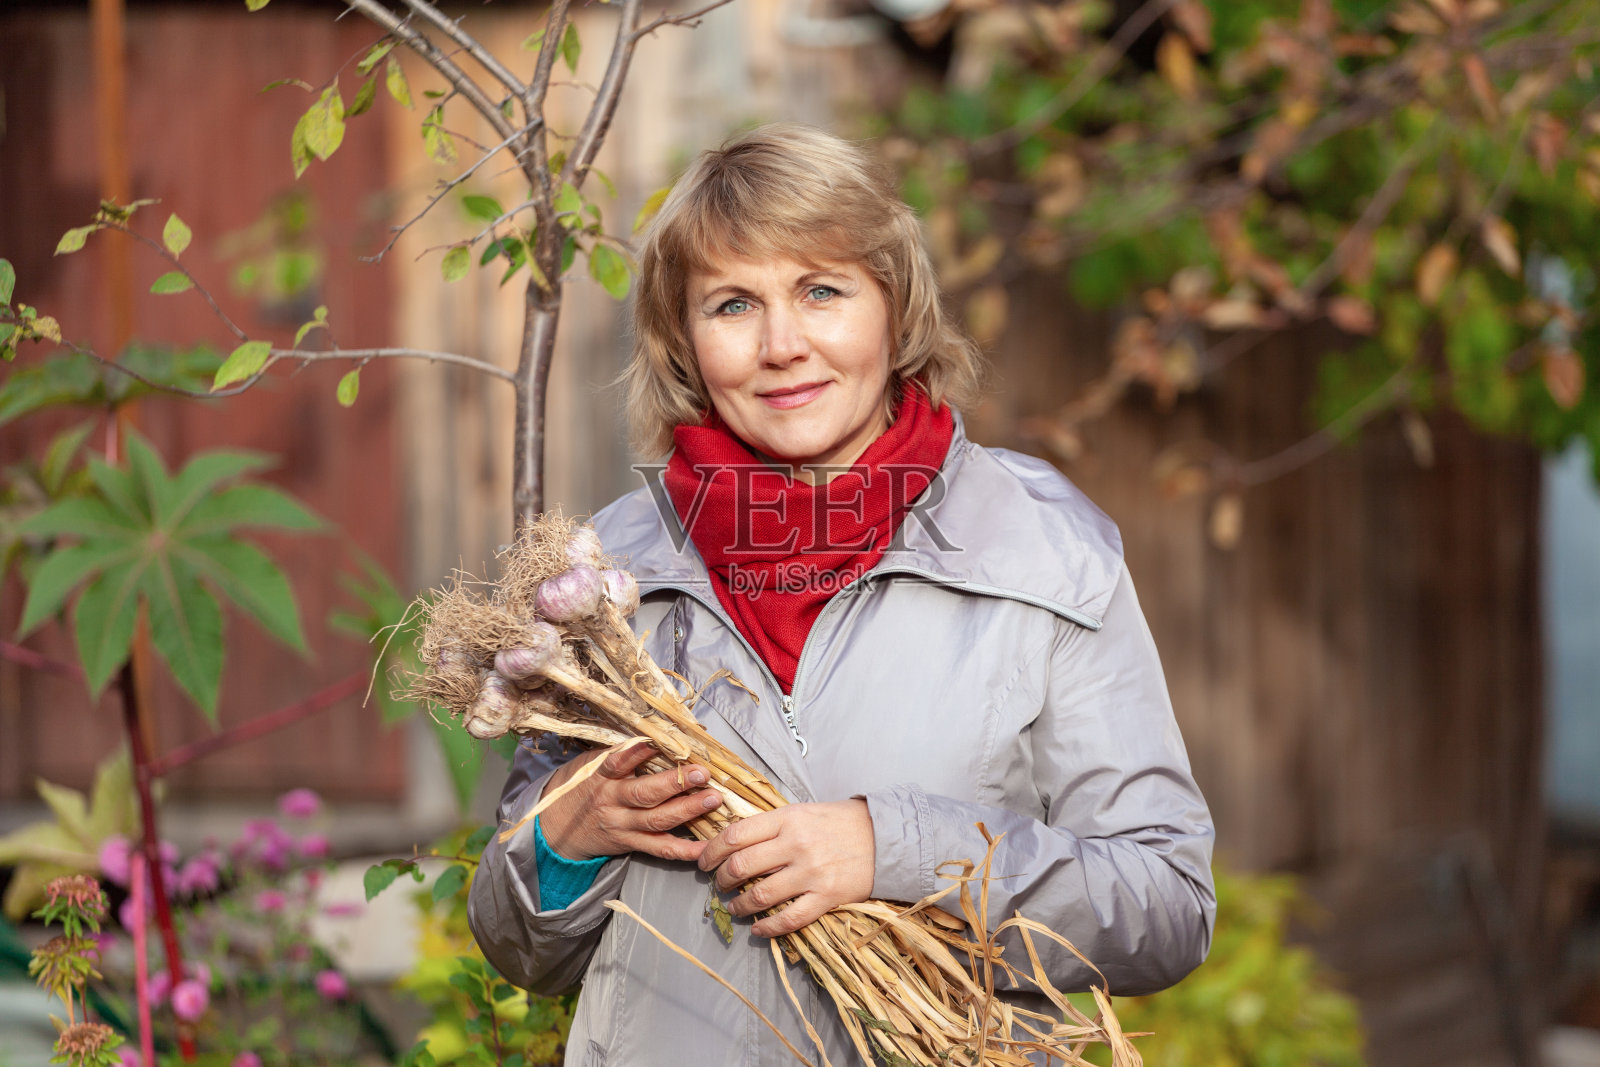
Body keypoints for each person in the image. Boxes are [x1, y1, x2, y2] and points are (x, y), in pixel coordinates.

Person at [468, 124, 1215, 1066]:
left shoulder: (1040, 550)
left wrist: (898, 849)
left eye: (822, 291)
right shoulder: (608, 580)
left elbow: (1166, 904)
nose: (783, 345)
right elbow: (516, 942)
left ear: (894, 309)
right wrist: (566, 837)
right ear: (683, 342)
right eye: (733, 304)